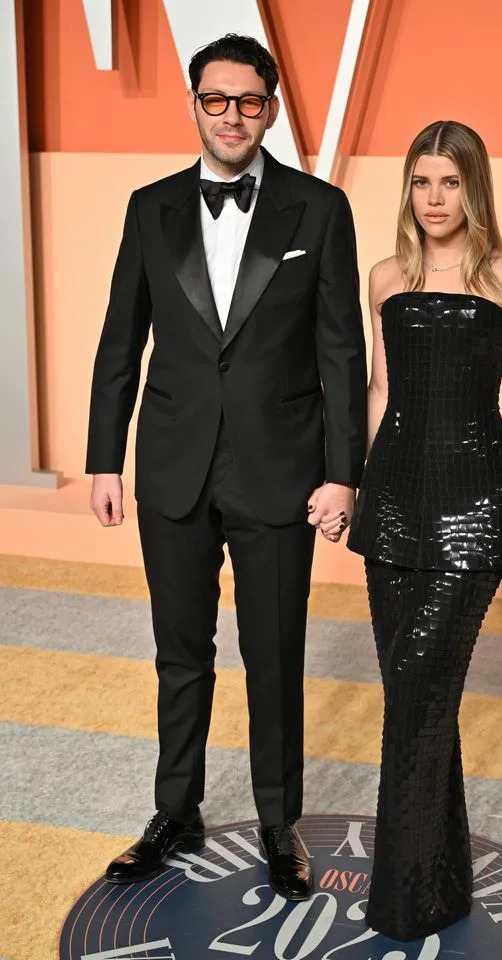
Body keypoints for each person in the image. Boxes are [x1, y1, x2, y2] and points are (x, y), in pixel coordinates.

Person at [86, 34, 367, 900]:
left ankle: (280, 825)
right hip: (172, 463)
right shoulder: (150, 207)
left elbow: (340, 352)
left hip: (280, 471)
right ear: (195, 105)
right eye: (217, 99)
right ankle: (177, 812)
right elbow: (120, 339)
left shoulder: (318, 211)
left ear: (271, 109)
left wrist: (343, 473)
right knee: (181, 654)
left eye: (249, 100)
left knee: (275, 655)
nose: (233, 114)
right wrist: (104, 458)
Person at [340, 120, 502, 940]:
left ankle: (401, 904)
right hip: (391, 504)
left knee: (419, 698)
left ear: (475, 188)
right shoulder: (385, 275)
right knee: (415, 696)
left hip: (476, 509)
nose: (435, 199)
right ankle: (446, 883)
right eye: (422, 182)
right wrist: (352, 486)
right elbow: (379, 389)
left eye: (450, 183)